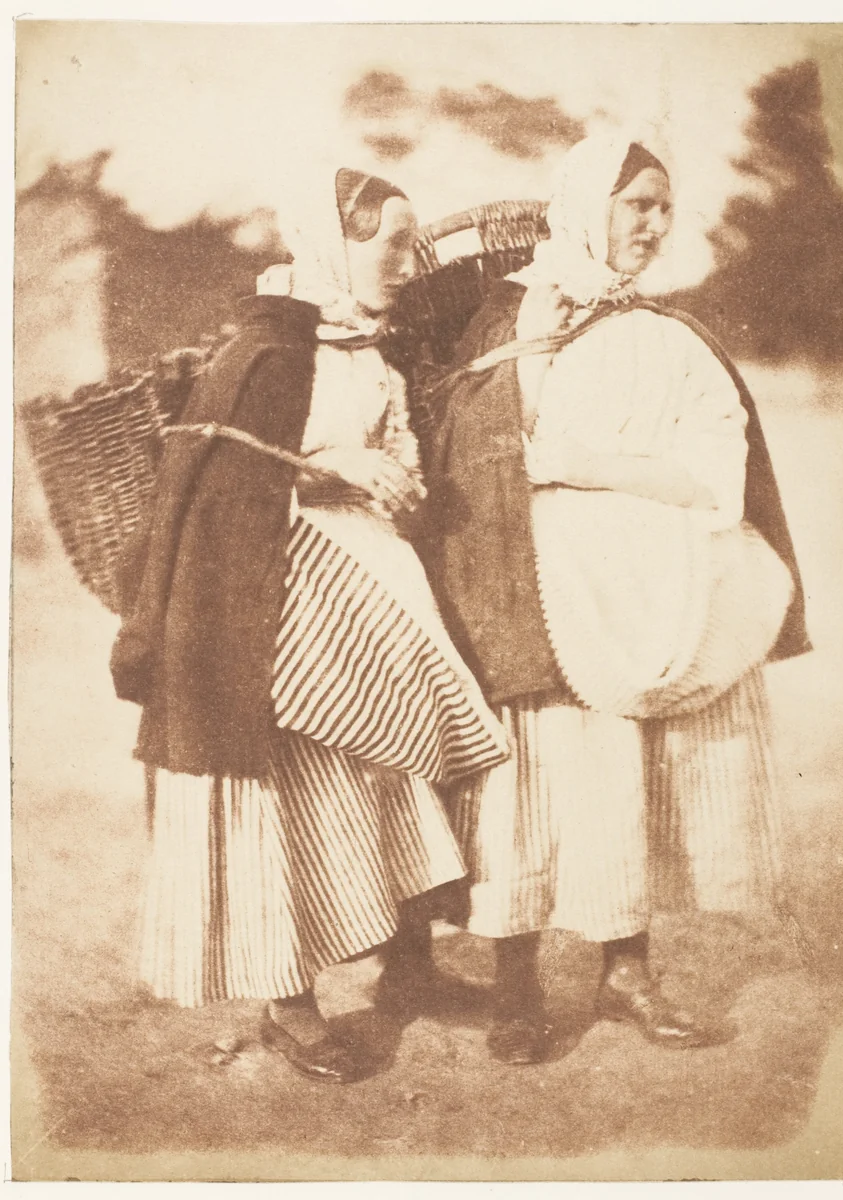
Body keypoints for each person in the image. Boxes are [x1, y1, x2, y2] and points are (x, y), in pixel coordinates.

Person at [407, 132, 811, 1064]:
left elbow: (716, 477)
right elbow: (469, 448)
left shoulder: (670, 337)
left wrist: (582, 468)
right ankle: (515, 981)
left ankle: (624, 970)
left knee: (626, 777)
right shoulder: (511, 320)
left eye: (666, 208)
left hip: (643, 595)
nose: (657, 225)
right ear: (590, 205)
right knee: (529, 782)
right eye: (639, 205)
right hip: (533, 593)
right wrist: (533, 376)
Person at [110, 166, 508, 1084]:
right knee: (281, 800)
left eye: (413, 244)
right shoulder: (265, 348)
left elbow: (398, 450)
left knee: (390, 773)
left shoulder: (368, 344)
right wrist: (334, 472)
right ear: (333, 242)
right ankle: (288, 1006)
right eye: (389, 244)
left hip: (371, 592)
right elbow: (215, 483)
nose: (407, 264)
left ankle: (407, 967)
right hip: (270, 608)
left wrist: (397, 477)